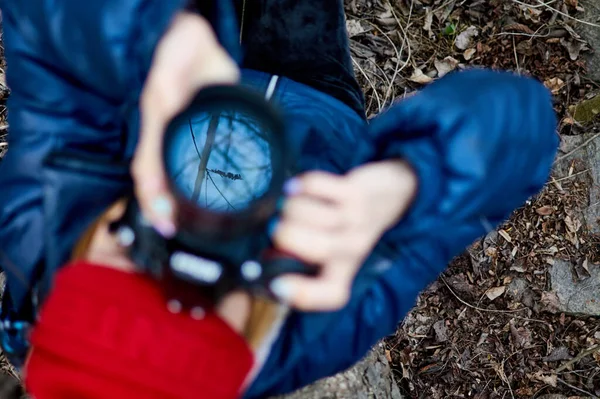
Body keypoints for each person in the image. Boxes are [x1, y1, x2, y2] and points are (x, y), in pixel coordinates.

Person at [0, 0, 558, 398]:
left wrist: (161, 35)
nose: (198, 222)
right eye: (221, 276)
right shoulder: (324, 322)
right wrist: (404, 188)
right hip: (316, 100)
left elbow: (43, 21)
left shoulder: (42, 224)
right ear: (253, 348)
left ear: (64, 276)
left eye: (136, 243)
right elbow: (524, 124)